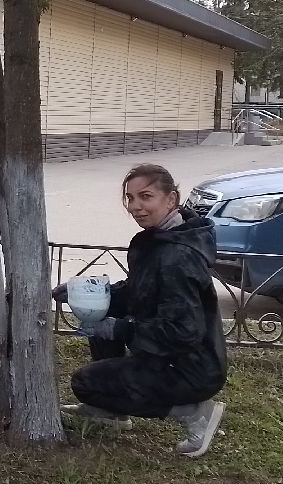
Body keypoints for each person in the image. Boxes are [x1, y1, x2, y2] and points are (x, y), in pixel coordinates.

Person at [56, 163, 227, 458]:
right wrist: (96, 294)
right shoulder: (160, 238)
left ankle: (193, 413)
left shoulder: (177, 256)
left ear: (171, 199)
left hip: (190, 368)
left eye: (146, 197)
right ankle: (111, 412)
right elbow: (140, 290)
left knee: (85, 383)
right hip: (173, 356)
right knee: (101, 315)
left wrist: (121, 329)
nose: (135, 207)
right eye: (130, 198)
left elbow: (183, 330)